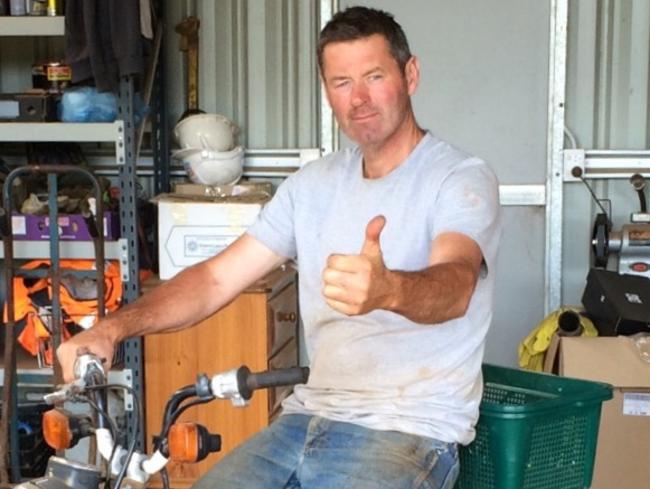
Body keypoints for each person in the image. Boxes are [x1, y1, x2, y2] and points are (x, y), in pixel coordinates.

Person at [57, 6, 501, 489]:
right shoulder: (311, 186)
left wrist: (389, 289)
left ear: (410, 74)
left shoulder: (458, 178)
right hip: (304, 420)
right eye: (341, 82)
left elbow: (456, 285)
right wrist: (114, 328)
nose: (359, 99)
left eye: (374, 76)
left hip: (407, 431)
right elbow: (214, 280)